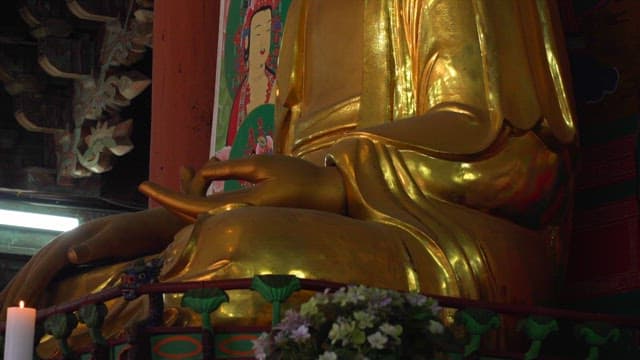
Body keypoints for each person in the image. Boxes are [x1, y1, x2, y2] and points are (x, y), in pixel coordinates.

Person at [2, 0, 576, 340]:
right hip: (327, 229)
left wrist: (334, 180)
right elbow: (285, 178)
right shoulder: (306, 11)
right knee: (71, 279)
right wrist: (170, 227)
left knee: (246, 248)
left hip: (439, 236)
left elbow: (523, 165)